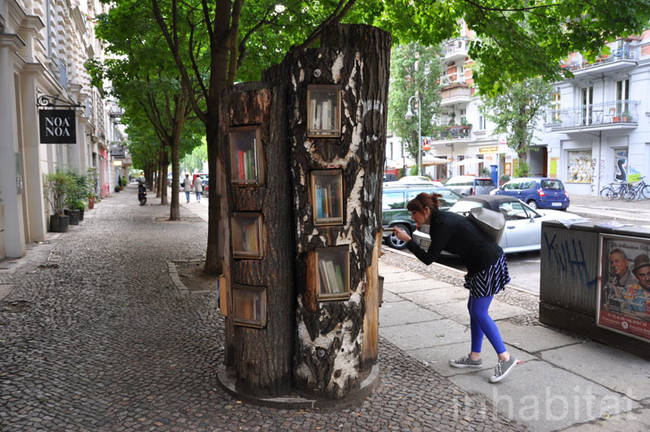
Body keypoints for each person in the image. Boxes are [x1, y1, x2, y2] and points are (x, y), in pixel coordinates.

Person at [394, 192, 518, 383]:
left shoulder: (441, 224)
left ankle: (505, 357)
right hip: (480, 265)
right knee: (474, 310)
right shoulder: (440, 221)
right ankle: (475, 357)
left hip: (488, 264)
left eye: (414, 213)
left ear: (426, 211)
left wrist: (408, 240)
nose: (412, 217)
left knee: (479, 312)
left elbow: (429, 259)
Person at [625, 254, 650, 318]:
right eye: (642, 275)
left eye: (649, 273)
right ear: (636, 276)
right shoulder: (630, 291)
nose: (647, 278)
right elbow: (626, 314)